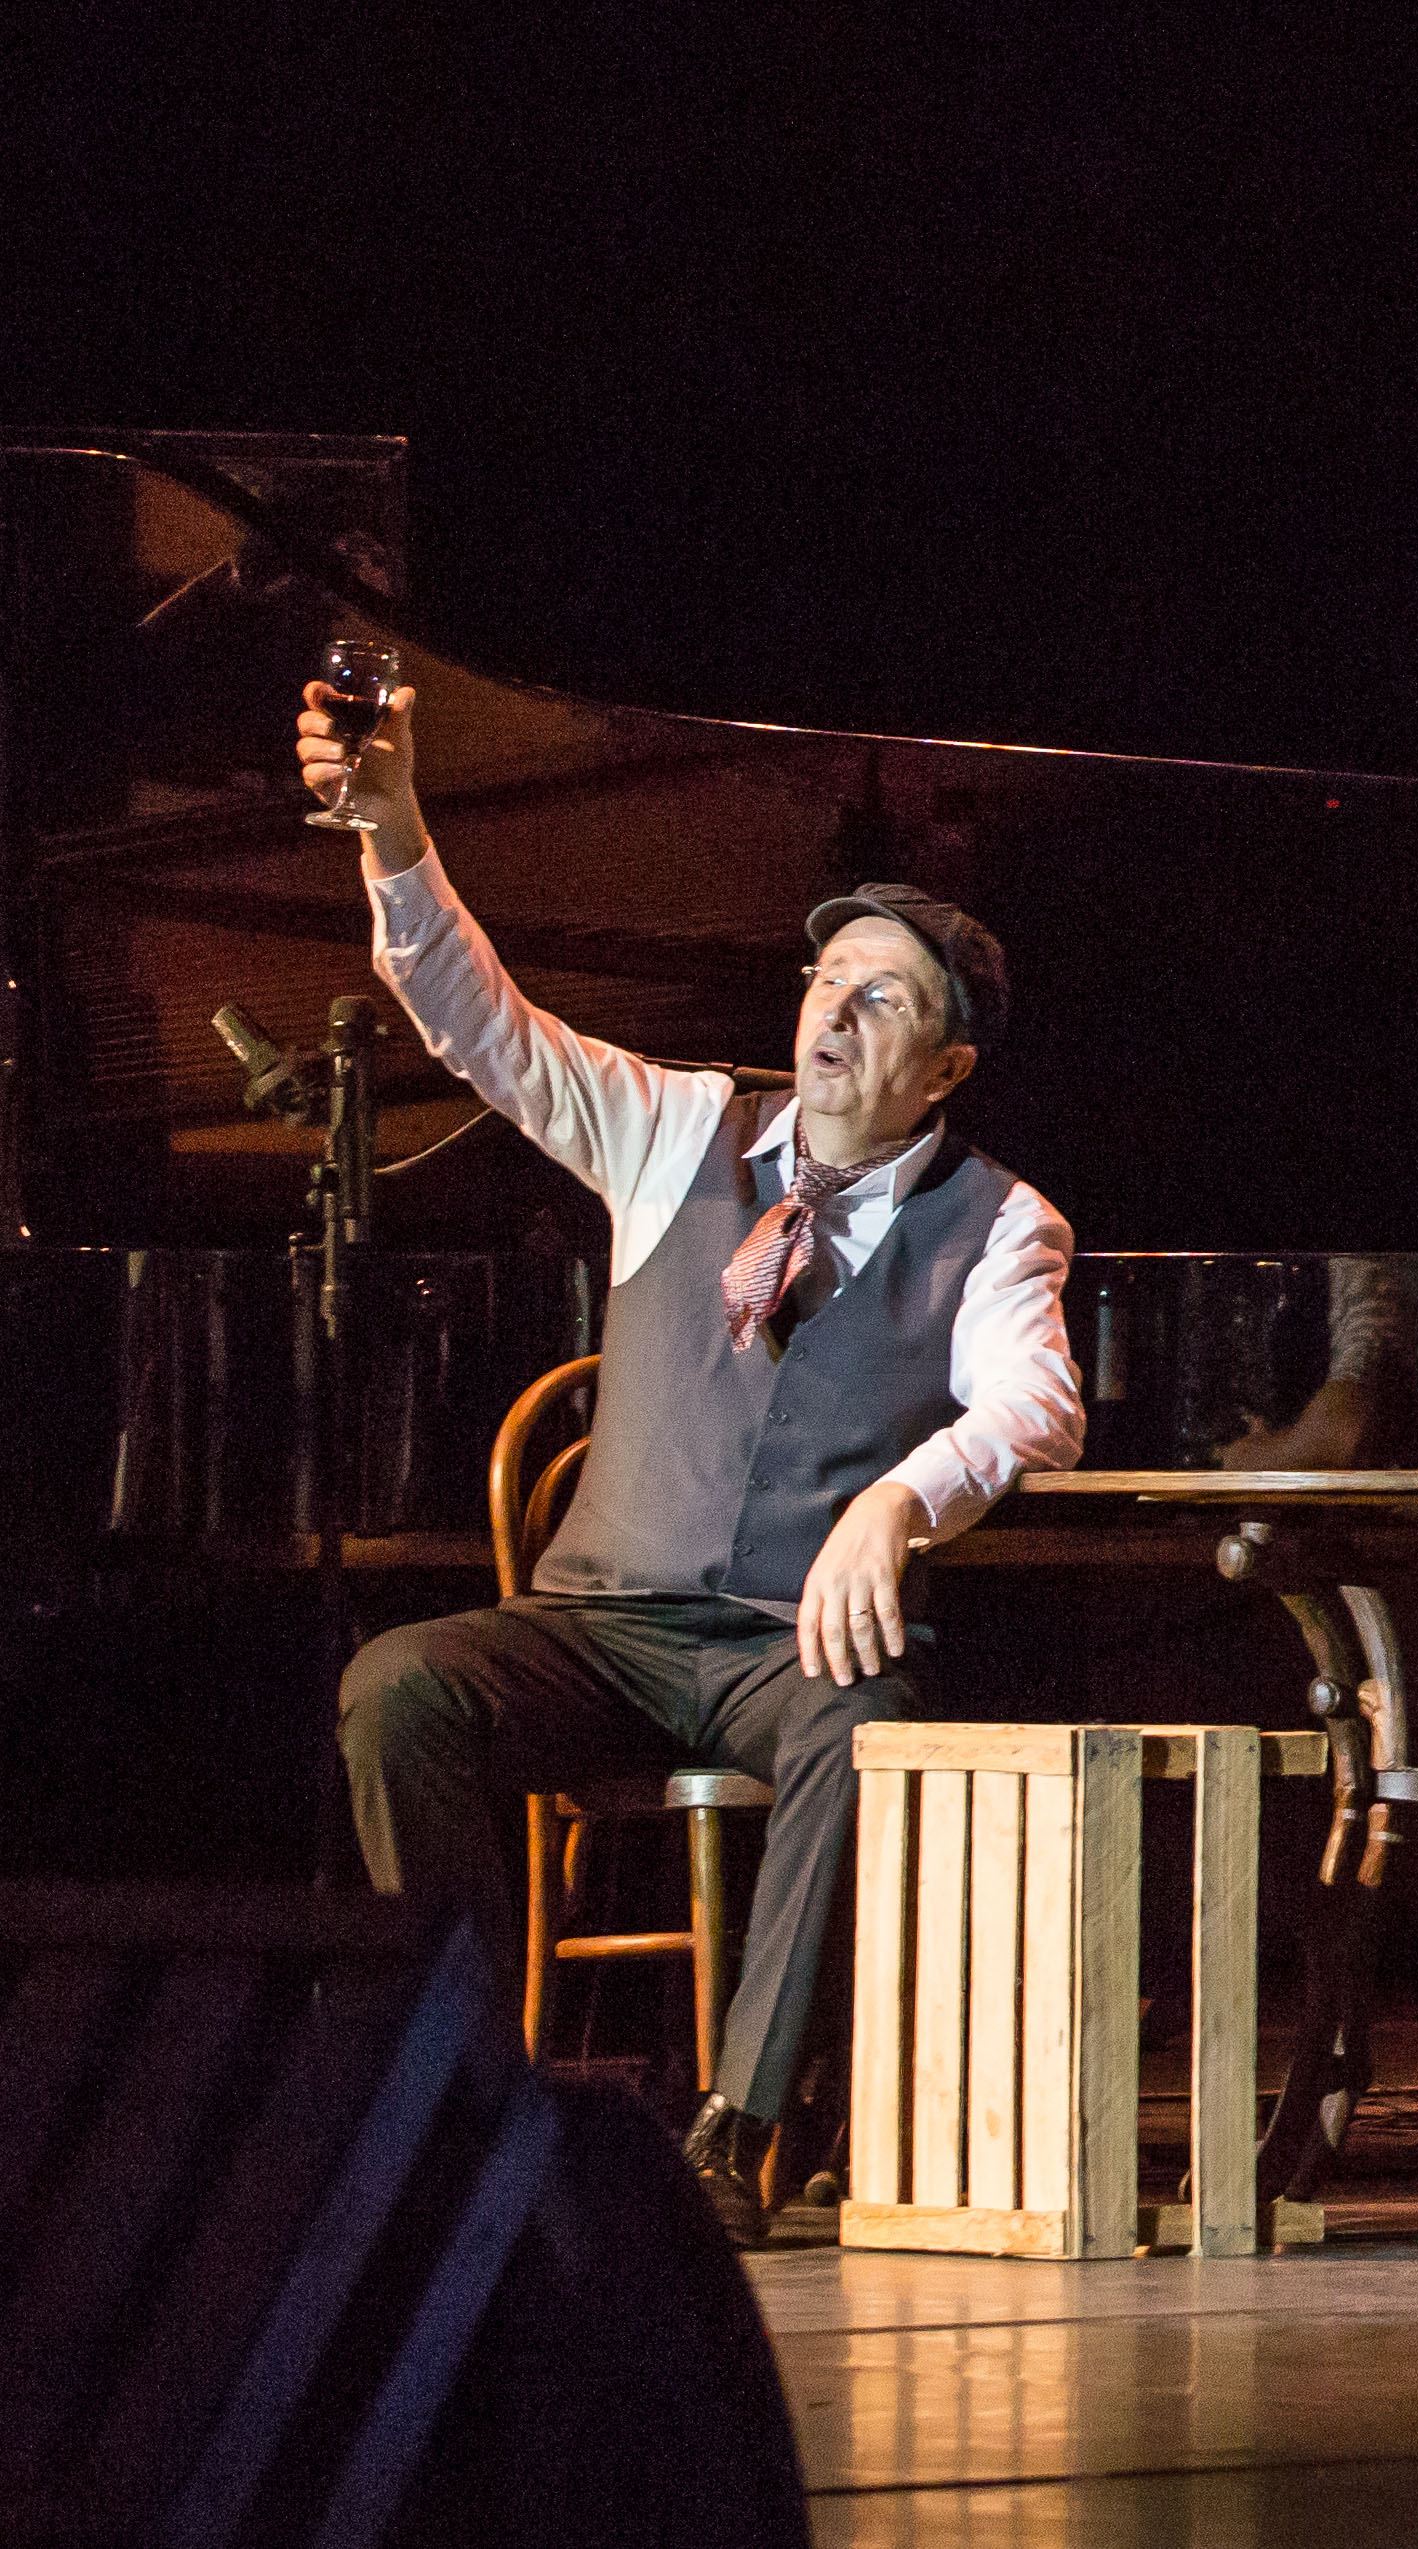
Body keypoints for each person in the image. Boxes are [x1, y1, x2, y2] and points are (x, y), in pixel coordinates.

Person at [304, 678, 1084, 2243]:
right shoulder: (676, 1129)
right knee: (399, 1682)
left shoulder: (1001, 1222)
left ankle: (741, 2130)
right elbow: (483, 1028)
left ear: (947, 1070)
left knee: (867, 1721)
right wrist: (394, 833)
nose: (833, 1015)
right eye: (828, 980)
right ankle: (470, 2099)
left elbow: (1034, 1406)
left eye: (883, 1002)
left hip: (785, 1643)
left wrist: (897, 1496)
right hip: (602, 1618)